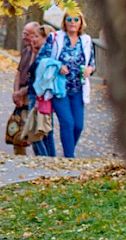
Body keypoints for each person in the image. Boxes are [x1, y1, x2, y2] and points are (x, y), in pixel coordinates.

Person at [37, 9, 94, 158]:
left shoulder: (86, 40)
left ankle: (68, 154)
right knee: (67, 123)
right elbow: (41, 59)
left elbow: (92, 63)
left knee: (78, 126)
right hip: (59, 88)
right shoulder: (55, 38)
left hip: (78, 88)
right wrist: (57, 65)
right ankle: (70, 158)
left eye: (76, 19)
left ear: (81, 22)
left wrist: (89, 69)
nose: (72, 23)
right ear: (64, 21)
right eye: (69, 19)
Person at [10, 21, 41, 156]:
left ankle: (39, 157)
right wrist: (16, 92)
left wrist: (22, 93)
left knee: (32, 129)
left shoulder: (40, 54)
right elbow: (19, 72)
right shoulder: (25, 51)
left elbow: (37, 79)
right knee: (16, 130)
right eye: (23, 33)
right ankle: (20, 157)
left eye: (27, 34)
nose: (24, 37)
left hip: (32, 95)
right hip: (21, 95)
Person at [25, 23, 55, 156]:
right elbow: (30, 71)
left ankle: (45, 157)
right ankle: (45, 156)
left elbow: (42, 78)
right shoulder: (38, 54)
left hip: (40, 95)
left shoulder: (47, 57)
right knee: (39, 126)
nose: (34, 39)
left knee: (40, 128)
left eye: (37, 37)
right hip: (34, 93)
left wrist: (39, 98)